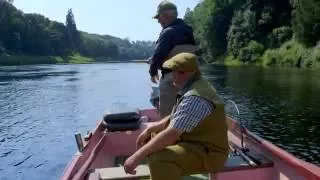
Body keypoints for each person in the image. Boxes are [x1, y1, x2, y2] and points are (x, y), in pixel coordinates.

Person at [124, 53, 229, 180]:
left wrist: (137, 156)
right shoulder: (196, 84)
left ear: (183, 73)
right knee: (154, 136)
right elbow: (177, 115)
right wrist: (154, 127)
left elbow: (171, 134)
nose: (170, 75)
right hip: (196, 143)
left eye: (172, 71)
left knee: (160, 159)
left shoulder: (196, 97)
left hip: (210, 153)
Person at [148, 0, 197, 118]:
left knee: (166, 113)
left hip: (172, 77)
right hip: (191, 77)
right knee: (187, 110)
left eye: (159, 17)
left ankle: (166, 131)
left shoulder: (167, 32)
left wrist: (153, 70)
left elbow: (159, 54)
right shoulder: (188, 31)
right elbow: (179, 52)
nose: (158, 20)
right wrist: (156, 59)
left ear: (166, 15)